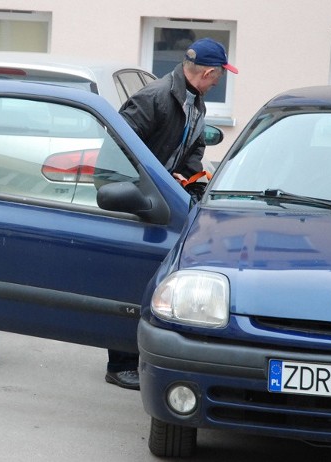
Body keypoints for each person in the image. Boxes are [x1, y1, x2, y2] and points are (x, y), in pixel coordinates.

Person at [104, 37, 238, 390]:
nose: (220, 81)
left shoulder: (196, 102)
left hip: (164, 199)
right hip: (135, 201)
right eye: (220, 75)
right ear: (208, 72)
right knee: (131, 280)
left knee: (158, 281)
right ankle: (119, 364)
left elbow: (192, 148)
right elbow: (117, 155)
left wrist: (193, 181)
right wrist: (148, 186)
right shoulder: (154, 98)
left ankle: (145, 354)